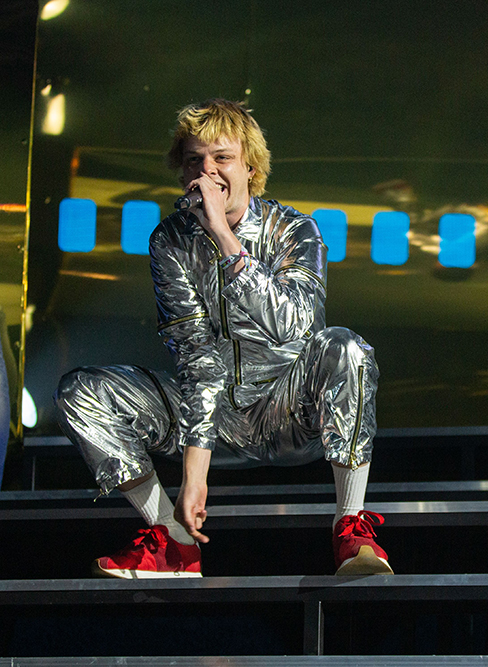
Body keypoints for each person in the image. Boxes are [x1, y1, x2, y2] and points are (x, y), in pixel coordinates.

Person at [55, 98, 391, 578]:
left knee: (347, 348)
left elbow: (297, 327)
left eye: (221, 158)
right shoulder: (170, 240)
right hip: (214, 419)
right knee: (81, 391)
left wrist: (226, 241)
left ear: (250, 168)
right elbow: (197, 356)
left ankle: (351, 530)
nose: (206, 170)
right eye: (194, 159)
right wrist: (195, 475)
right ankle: (171, 541)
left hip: (290, 410)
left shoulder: (295, 230)